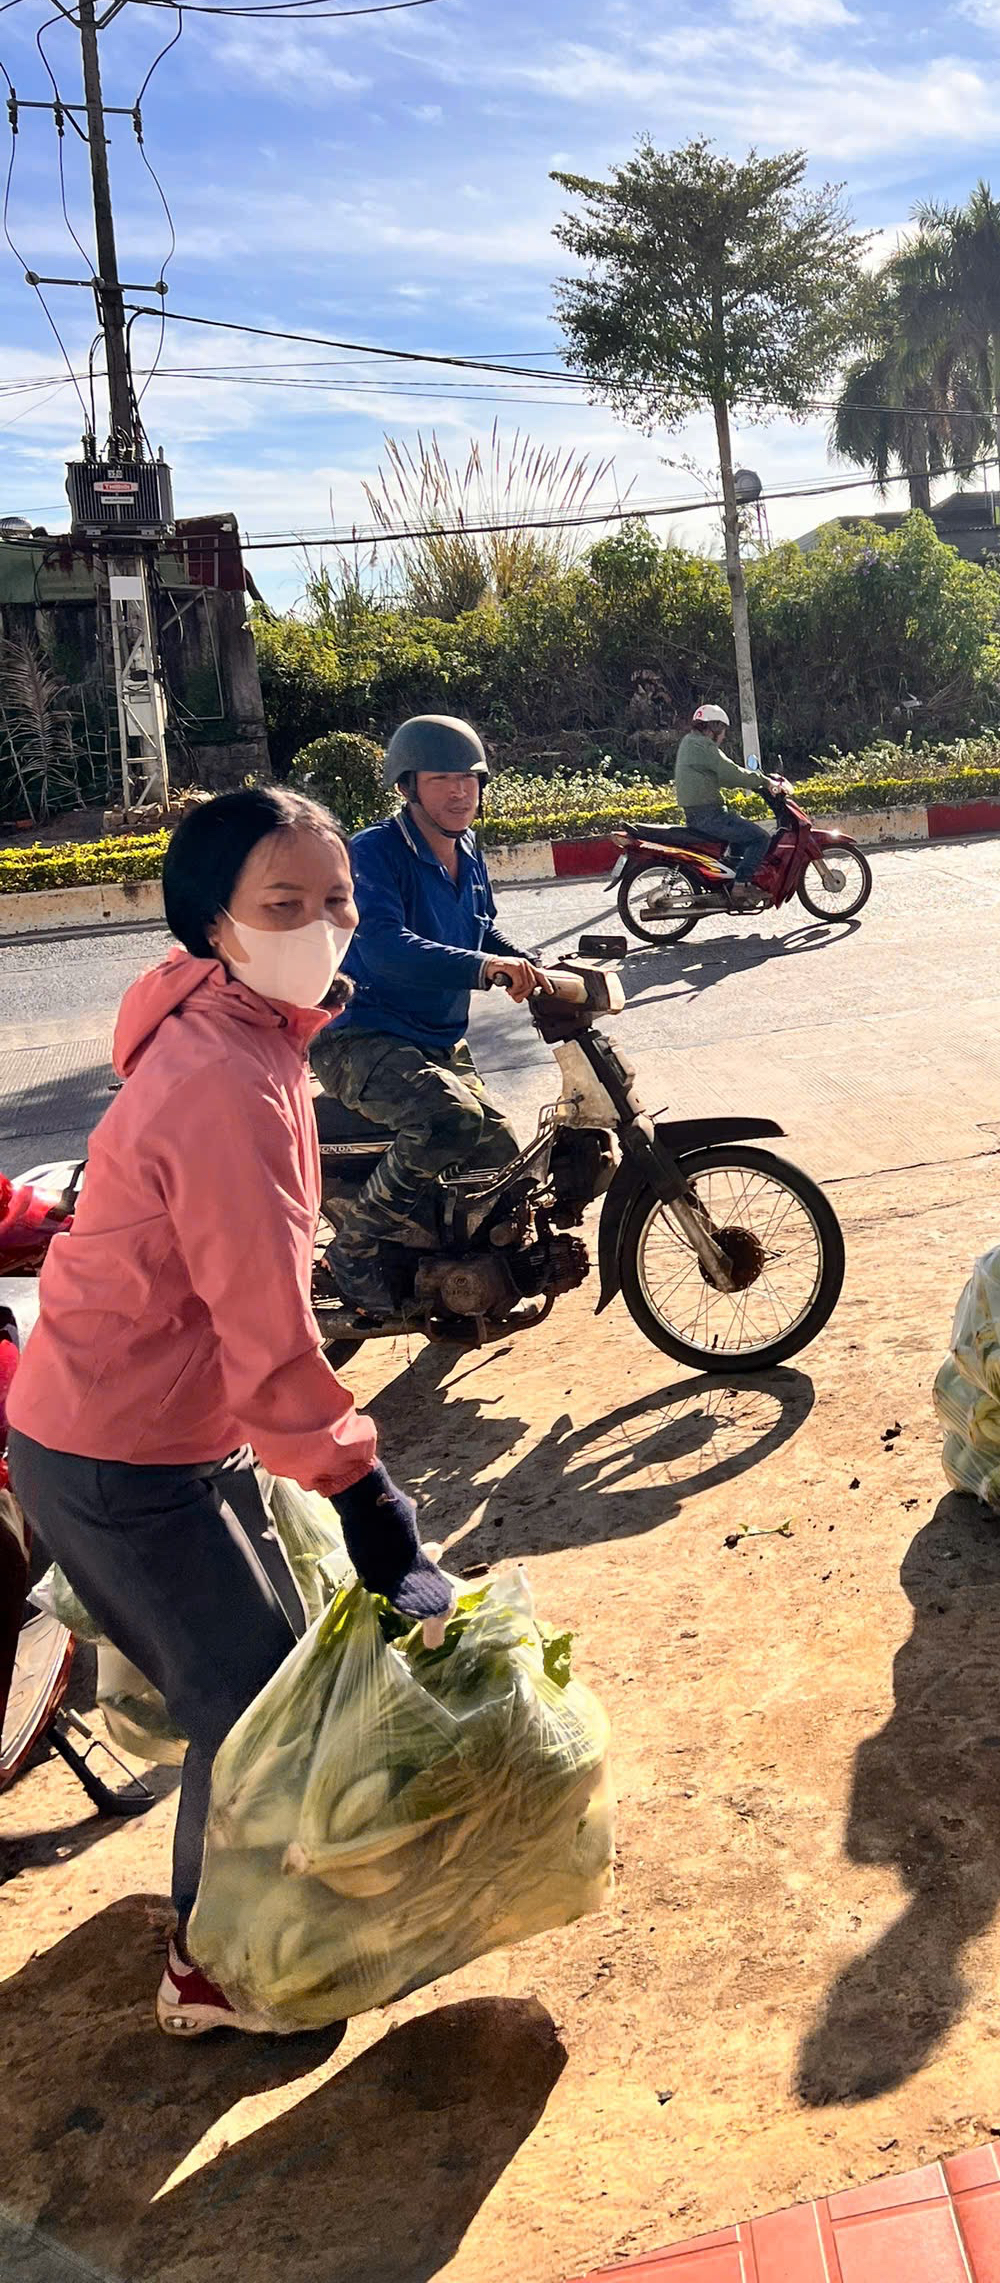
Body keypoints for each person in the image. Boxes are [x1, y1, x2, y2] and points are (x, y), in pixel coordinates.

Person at [4, 787, 453, 2032]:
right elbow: (267, 1324)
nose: (319, 926)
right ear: (213, 922)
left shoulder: (250, 1027)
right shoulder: (226, 1079)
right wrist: (362, 1485)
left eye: (334, 902)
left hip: (155, 1427)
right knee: (251, 1701)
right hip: (114, 1450)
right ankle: (211, 1965)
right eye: (281, 906)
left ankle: (255, 1900)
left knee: (274, 1665)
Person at [311, 716, 545, 1315]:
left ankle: (454, 1281)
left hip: (438, 1041)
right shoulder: (373, 853)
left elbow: (481, 928)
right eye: (441, 779)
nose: (459, 791)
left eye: (468, 779)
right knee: (448, 1121)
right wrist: (483, 968)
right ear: (408, 786)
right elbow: (386, 946)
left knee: (503, 1166)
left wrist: (532, 965)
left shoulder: (467, 851)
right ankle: (354, 1249)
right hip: (363, 1037)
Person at [674, 702, 774, 889]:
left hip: (700, 814)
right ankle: (741, 884)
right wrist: (765, 781)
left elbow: (724, 778)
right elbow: (731, 773)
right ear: (714, 727)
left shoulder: (689, 742)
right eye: (723, 730)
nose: (724, 736)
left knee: (739, 829)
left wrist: (751, 781)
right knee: (760, 838)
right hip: (709, 816)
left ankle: (728, 878)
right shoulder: (703, 746)